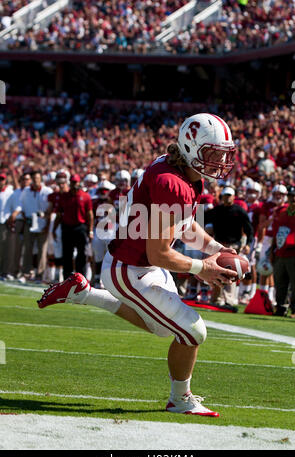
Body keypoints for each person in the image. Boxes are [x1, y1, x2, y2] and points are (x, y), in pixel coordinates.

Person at [38, 113, 239, 417]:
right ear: (189, 147)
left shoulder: (179, 171)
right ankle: (180, 399)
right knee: (193, 331)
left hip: (138, 263)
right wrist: (203, 269)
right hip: (129, 269)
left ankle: (83, 292)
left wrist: (216, 248)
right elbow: (160, 254)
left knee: (162, 329)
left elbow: (184, 225)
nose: (219, 160)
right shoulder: (173, 183)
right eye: (212, 153)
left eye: (223, 153)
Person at [205, 186, 253, 307]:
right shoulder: (217, 210)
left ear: (233, 197)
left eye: (229, 195)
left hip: (233, 245)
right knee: (217, 271)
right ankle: (215, 299)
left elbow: (249, 228)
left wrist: (248, 244)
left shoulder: (239, 211)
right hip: (219, 244)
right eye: (225, 195)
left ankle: (229, 300)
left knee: (232, 272)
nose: (227, 198)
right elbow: (201, 218)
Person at [52, 174, 94, 280]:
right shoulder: (64, 196)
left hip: (80, 228)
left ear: (79, 182)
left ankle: (81, 279)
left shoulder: (85, 196)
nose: (74, 184)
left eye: (76, 182)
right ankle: (67, 278)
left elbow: (90, 214)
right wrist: (54, 228)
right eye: (73, 182)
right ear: (70, 183)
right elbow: (59, 214)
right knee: (67, 255)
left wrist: (90, 230)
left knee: (81, 255)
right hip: (67, 228)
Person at [17, 170, 52, 281]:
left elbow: (50, 208)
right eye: (34, 178)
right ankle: (26, 273)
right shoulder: (26, 191)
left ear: (41, 179)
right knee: (27, 249)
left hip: (42, 223)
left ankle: (39, 274)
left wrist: (47, 224)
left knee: (42, 250)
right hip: (30, 222)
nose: (36, 180)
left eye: (38, 178)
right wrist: (24, 216)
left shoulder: (47, 191)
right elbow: (21, 205)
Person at [270, 186, 295, 318]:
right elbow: (276, 234)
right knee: (280, 282)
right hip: (280, 253)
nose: (292, 198)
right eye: (290, 196)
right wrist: (272, 250)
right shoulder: (282, 213)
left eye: (294, 196)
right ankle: (281, 307)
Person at [0, 172, 14, 279]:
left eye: (2, 179)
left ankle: (4, 271)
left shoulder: (10, 192)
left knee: (4, 248)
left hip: (3, 223)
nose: (1, 181)